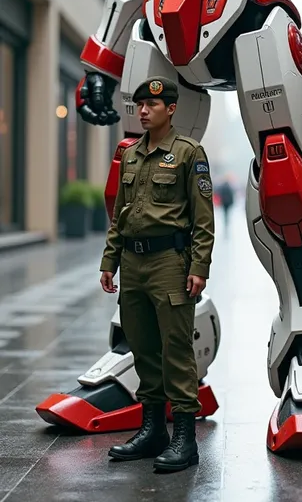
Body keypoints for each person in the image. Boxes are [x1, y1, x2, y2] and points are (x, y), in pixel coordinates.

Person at [99, 76, 215, 473]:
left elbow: (203, 219)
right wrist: (109, 261)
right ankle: (153, 430)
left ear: (171, 108)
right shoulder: (131, 155)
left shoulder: (188, 153)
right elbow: (121, 217)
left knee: (176, 350)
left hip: (170, 263)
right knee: (142, 346)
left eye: (152, 105)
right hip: (133, 265)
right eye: (140, 106)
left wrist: (199, 267)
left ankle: (184, 437)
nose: (143, 111)